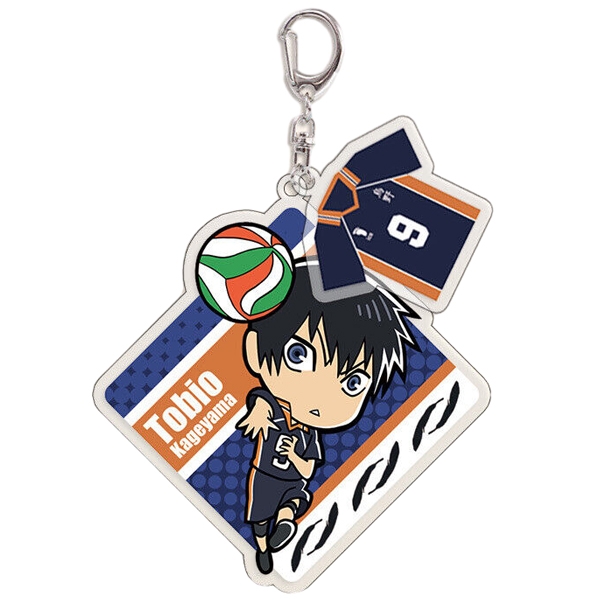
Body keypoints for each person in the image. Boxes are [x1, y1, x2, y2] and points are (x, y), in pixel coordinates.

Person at [237, 260, 419, 574]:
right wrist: (258, 414)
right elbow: (260, 401)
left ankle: (284, 523)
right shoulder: (271, 408)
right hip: (263, 478)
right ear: (254, 351)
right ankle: (264, 548)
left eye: (353, 383)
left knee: (294, 502)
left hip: (293, 482)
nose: (321, 398)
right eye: (298, 355)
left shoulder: (309, 434)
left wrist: (294, 455)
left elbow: (308, 467)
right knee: (259, 523)